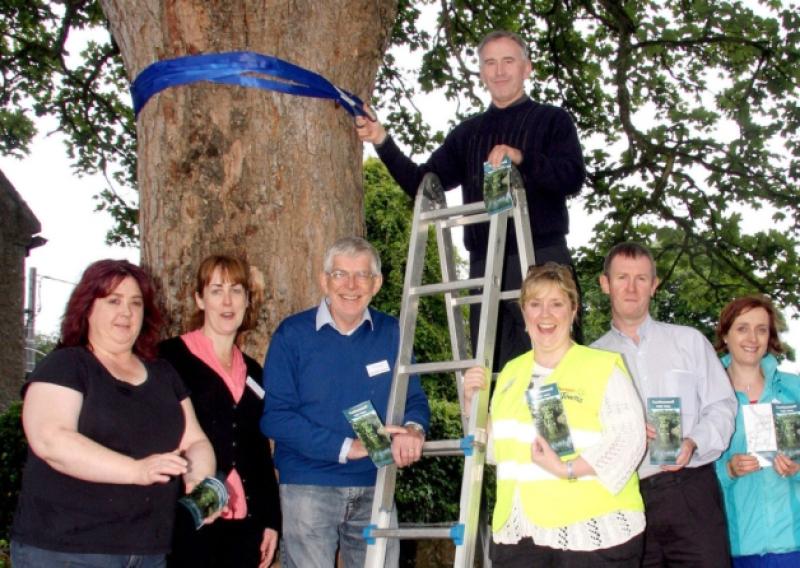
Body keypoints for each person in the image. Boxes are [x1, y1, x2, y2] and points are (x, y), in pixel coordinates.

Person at [356, 29, 585, 367]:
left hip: (543, 259)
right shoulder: (468, 134)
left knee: (558, 369)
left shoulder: (552, 120)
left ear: (527, 68)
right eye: (490, 63)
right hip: (485, 267)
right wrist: (381, 139)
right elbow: (423, 185)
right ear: (481, 72)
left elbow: (572, 176)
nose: (499, 70)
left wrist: (521, 158)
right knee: (491, 376)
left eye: (508, 61)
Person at [10, 259, 216, 568]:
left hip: (148, 551)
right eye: (113, 301)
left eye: (136, 303)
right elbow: (51, 440)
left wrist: (200, 481)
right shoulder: (65, 365)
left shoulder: (163, 373)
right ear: (87, 308)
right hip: (68, 550)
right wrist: (136, 470)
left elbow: (195, 441)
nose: (126, 312)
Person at [261, 236, 430, 568]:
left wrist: (413, 429)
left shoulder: (392, 333)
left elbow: (414, 399)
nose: (351, 285)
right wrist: (346, 447)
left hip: (376, 484)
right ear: (324, 280)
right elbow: (276, 417)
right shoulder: (291, 335)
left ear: (376, 283)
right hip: (309, 484)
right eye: (340, 274)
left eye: (362, 275)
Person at [463, 262, 646, 566]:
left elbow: (630, 439)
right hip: (521, 536)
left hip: (592, 535)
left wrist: (568, 469)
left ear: (573, 311)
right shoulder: (511, 372)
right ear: (524, 313)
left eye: (556, 304)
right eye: (535, 304)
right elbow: (498, 452)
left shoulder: (601, 367)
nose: (545, 314)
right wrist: (473, 405)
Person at [592, 242, 737, 566]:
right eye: (622, 277)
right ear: (605, 284)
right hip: (627, 500)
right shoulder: (591, 360)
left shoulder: (689, 341)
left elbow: (722, 407)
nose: (631, 288)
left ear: (654, 285)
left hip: (691, 492)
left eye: (641, 278)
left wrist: (693, 441)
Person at [160, 255, 281, 567]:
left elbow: (258, 448)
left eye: (236, 290)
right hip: (187, 518)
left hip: (245, 522)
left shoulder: (253, 371)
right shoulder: (169, 359)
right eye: (216, 290)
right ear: (200, 299)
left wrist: (271, 519)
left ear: (247, 300)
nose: (227, 302)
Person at [713, 295, 800, 567]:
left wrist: (797, 469)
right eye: (742, 328)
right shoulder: (708, 395)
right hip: (737, 546)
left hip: (794, 543)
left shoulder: (794, 389)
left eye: (761, 329)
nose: (752, 338)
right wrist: (727, 470)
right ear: (725, 335)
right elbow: (692, 470)